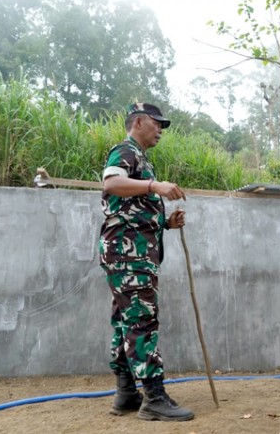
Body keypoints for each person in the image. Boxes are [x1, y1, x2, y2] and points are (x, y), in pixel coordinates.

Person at [98, 102, 194, 421]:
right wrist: (155, 186)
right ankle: (154, 397)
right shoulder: (125, 151)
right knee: (141, 319)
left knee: (125, 320)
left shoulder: (141, 159)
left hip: (130, 252)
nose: (161, 131)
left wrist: (166, 223)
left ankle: (126, 392)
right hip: (129, 255)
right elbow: (111, 183)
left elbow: (132, 210)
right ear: (139, 122)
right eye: (157, 124)